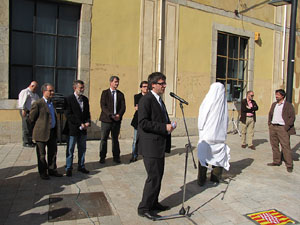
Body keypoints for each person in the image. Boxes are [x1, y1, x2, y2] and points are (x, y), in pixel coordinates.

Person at [137, 72, 176, 220]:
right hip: (150, 146)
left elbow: (160, 119)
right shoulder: (146, 100)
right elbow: (143, 123)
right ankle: (144, 208)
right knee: (153, 177)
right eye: (162, 83)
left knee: (158, 176)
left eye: (164, 83)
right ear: (153, 84)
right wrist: (163, 127)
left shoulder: (159, 100)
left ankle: (153, 203)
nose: (164, 86)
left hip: (159, 144)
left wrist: (169, 126)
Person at [197, 82, 230, 186]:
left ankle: (201, 179)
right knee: (218, 157)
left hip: (207, 135)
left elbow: (202, 114)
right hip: (219, 136)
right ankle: (215, 177)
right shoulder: (223, 103)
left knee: (203, 157)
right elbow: (226, 119)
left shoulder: (208, 100)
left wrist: (200, 128)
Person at [29, 83, 62, 180]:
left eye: (53, 90)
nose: (53, 92)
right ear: (44, 92)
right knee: (41, 155)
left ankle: (52, 170)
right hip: (41, 133)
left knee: (53, 153)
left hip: (52, 132)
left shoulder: (53, 103)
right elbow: (31, 119)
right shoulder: (38, 104)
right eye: (50, 91)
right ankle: (43, 172)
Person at [64, 80, 91, 177]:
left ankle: (81, 166)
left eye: (83, 88)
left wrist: (88, 121)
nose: (82, 90)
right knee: (70, 149)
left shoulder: (85, 99)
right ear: (75, 88)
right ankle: (68, 167)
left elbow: (87, 112)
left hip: (83, 130)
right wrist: (80, 123)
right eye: (81, 88)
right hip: (73, 129)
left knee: (82, 148)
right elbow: (68, 114)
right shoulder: (69, 99)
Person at [99, 76, 126, 164]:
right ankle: (102, 156)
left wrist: (119, 115)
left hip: (116, 121)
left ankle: (116, 156)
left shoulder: (120, 94)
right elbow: (103, 106)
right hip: (106, 120)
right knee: (104, 138)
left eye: (118, 82)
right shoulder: (105, 93)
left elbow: (123, 107)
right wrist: (110, 115)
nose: (117, 83)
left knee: (115, 139)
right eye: (115, 82)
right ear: (110, 82)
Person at [267, 89, 295, 173]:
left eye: (278, 95)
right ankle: (276, 161)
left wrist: (286, 127)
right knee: (274, 145)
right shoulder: (274, 104)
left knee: (285, 146)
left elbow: (292, 117)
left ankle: (289, 164)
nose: (276, 96)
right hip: (273, 127)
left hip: (282, 128)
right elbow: (270, 114)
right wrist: (270, 124)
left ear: (282, 96)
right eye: (276, 94)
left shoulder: (288, 105)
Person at [129, 81, 148, 163]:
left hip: (147, 121)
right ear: (141, 88)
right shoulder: (137, 96)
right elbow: (136, 108)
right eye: (144, 86)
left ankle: (146, 155)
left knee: (146, 139)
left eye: (147, 86)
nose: (146, 88)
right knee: (135, 139)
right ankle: (134, 155)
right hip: (138, 120)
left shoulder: (150, 97)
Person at [18, 81, 39, 147]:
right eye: (35, 88)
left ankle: (30, 141)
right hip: (26, 111)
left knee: (31, 127)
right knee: (26, 127)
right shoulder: (25, 92)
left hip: (32, 112)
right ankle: (26, 142)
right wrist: (23, 109)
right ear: (32, 86)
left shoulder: (35, 94)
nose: (35, 90)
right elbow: (22, 101)